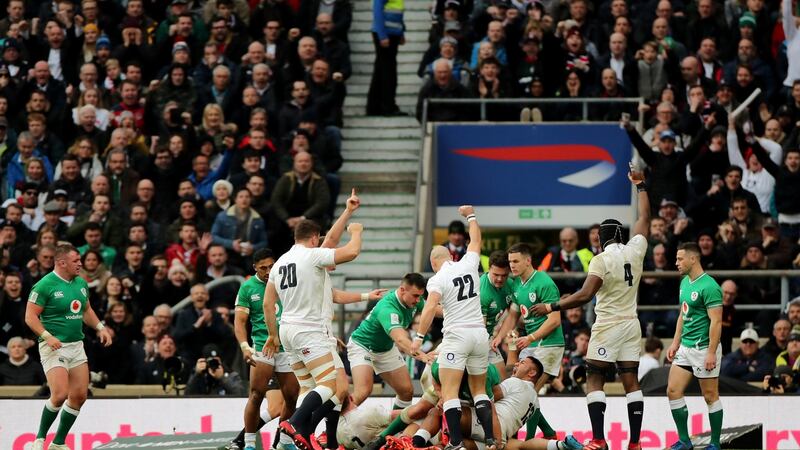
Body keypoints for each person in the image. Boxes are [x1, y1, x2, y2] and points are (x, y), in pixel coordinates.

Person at [533, 166, 650, 450]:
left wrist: (551, 305)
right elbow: (644, 218)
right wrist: (641, 185)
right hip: (631, 323)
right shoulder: (635, 250)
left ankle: (599, 439)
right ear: (621, 235)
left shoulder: (601, 260)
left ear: (600, 239)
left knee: (594, 376)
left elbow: (585, 295)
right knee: (631, 381)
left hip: (608, 324)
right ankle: (635, 443)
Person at [263, 219, 363, 450]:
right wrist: (356, 232)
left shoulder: (280, 263)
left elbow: (268, 303)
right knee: (330, 384)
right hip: (309, 330)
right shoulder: (312, 255)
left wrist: (272, 335)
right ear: (314, 238)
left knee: (308, 386)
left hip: (287, 331)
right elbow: (352, 252)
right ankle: (294, 424)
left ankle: (292, 438)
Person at [413, 205, 499, 450]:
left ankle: (456, 442)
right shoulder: (469, 263)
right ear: (450, 256)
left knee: (449, 391)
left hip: (457, 336)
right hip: (479, 335)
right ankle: (490, 439)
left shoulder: (437, 279)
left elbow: (430, 308)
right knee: (479, 389)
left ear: (433, 263)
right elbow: (476, 240)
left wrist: (419, 337)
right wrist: (471, 216)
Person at [25, 244, 113, 450]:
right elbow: (30, 317)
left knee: (80, 396)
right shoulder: (44, 285)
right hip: (54, 346)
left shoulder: (81, 283)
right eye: (76, 261)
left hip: (76, 345)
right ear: (62, 263)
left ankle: (58, 443)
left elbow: (86, 309)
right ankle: (39, 439)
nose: (80, 264)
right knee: (59, 395)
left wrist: (101, 327)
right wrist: (47, 336)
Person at [230, 248, 299, 450]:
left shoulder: (286, 281)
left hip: (287, 346)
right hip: (262, 346)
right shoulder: (248, 288)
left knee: (291, 398)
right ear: (255, 268)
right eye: (263, 268)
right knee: (256, 395)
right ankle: (249, 443)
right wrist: (245, 347)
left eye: (271, 266)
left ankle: (284, 442)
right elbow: (239, 322)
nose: (269, 271)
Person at [493, 242, 562, 440]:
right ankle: (548, 433)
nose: (512, 265)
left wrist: (530, 337)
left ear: (528, 261)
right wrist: (499, 337)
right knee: (525, 391)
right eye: (510, 261)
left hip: (549, 343)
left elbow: (555, 320)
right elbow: (513, 316)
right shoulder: (516, 284)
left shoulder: (544, 282)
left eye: (516, 261)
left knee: (531, 393)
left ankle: (530, 440)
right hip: (531, 343)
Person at [664, 243, 724, 450]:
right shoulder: (684, 282)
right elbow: (683, 314)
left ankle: (715, 443)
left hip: (703, 348)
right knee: (673, 390)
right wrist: (675, 342)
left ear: (693, 259)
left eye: (680, 259)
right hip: (686, 347)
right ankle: (684, 440)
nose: (676, 263)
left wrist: (711, 353)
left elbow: (716, 322)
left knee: (710, 396)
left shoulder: (710, 286)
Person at [348, 273, 431, 406]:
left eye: (420, 296)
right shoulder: (387, 308)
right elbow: (400, 340)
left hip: (385, 348)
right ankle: (337, 419)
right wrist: (422, 355)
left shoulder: (415, 300)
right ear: (402, 290)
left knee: (406, 391)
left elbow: (434, 309)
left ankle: (397, 421)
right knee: (363, 391)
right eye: (415, 296)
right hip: (363, 346)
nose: (418, 300)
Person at [481, 251, 514, 378]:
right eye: (496, 275)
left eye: (504, 275)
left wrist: (500, 337)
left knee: (502, 379)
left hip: (488, 337)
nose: (500, 279)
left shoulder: (510, 285)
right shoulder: (482, 292)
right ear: (489, 269)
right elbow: (480, 329)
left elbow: (513, 315)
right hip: (474, 338)